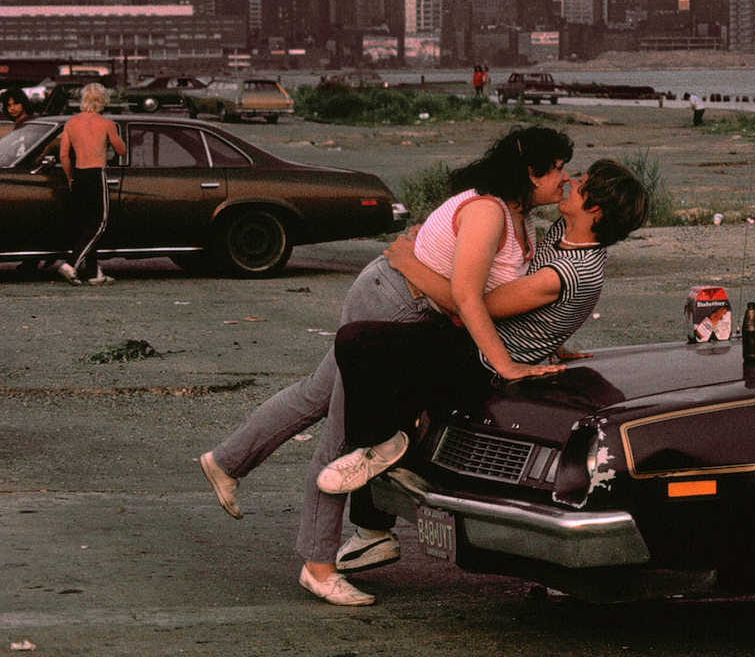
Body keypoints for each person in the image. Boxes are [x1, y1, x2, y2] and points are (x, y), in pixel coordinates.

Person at [197, 126, 576, 607]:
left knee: (318, 394)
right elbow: (465, 297)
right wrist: (506, 365)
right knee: (342, 432)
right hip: (394, 303)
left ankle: (227, 461)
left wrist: (550, 345)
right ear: (529, 172)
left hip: (399, 297)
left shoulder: (518, 216)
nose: (564, 177)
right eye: (558, 167)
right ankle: (318, 566)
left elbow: (492, 297)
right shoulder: (488, 213)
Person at [316, 159, 648, 498]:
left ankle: (380, 448)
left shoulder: (568, 272)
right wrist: (552, 336)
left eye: (581, 183)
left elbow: (472, 304)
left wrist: (408, 263)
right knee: (392, 389)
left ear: (595, 209)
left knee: (357, 341)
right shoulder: (565, 233)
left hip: (482, 358)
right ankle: (372, 531)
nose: (570, 181)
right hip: (483, 339)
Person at [55, 82, 126, 286]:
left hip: (78, 174)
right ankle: (71, 264)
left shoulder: (71, 122)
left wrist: (70, 178)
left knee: (85, 225)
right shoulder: (106, 123)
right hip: (96, 174)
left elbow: (63, 155)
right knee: (99, 223)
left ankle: (95, 273)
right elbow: (121, 150)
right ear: (103, 99)